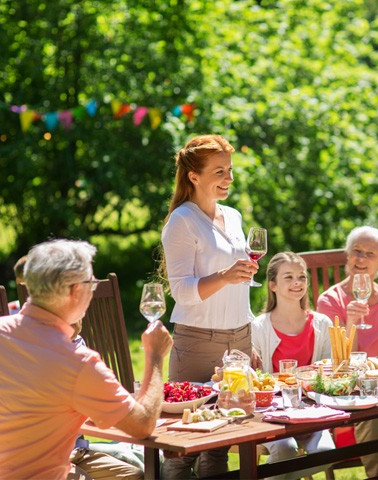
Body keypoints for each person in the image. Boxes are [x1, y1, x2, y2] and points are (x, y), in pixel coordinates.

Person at [0, 239, 173, 480]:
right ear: (75, 290)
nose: (93, 290)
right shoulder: (76, 362)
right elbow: (142, 425)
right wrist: (154, 355)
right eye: (92, 283)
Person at [160, 134, 258, 478]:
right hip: (199, 342)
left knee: (221, 442)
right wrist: (226, 275)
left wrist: (249, 335)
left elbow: (238, 283)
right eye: (219, 171)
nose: (228, 179)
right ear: (194, 176)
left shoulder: (232, 216)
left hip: (239, 340)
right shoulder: (181, 222)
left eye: (230, 170)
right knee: (183, 444)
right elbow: (181, 291)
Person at [316, 226, 378, 478]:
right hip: (349, 384)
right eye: (356, 251)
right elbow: (339, 361)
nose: (361, 259)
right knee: (368, 407)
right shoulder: (330, 300)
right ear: (347, 255)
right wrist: (351, 322)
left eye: (370, 253)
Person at [252, 252, 335, 480]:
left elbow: (330, 372)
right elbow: (255, 380)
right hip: (273, 413)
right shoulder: (258, 327)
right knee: (285, 449)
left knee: (326, 453)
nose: (297, 283)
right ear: (272, 285)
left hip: (313, 410)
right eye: (288, 277)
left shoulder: (321, 323)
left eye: (301, 277)